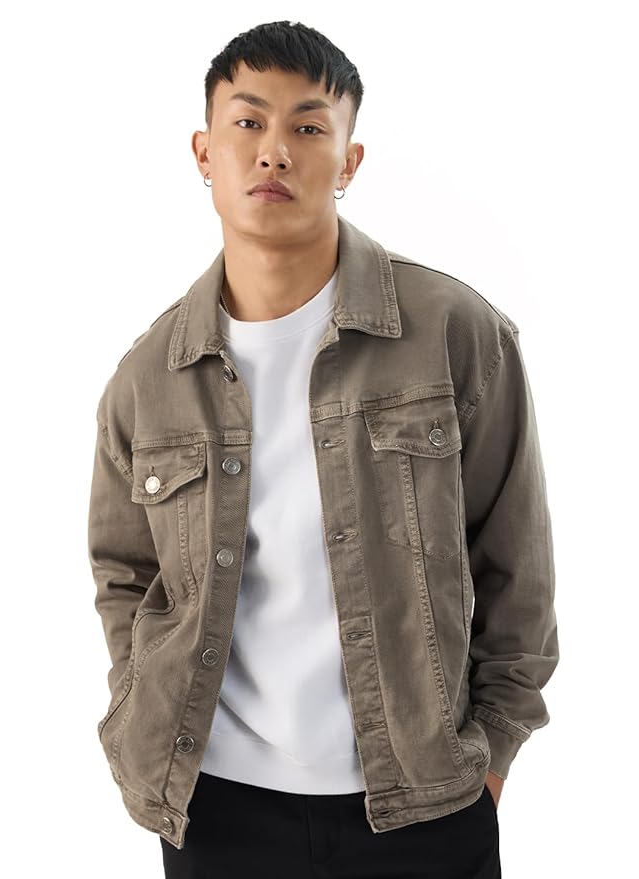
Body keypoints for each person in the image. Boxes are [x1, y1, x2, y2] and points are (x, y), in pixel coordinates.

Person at [88, 19, 559, 879]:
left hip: (424, 802)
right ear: (204, 151)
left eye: (308, 127)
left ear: (348, 161)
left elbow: (515, 565)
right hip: (214, 806)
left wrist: (489, 755)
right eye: (247, 121)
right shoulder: (148, 376)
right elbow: (124, 572)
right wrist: (138, 703)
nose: (274, 150)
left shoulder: (454, 333)